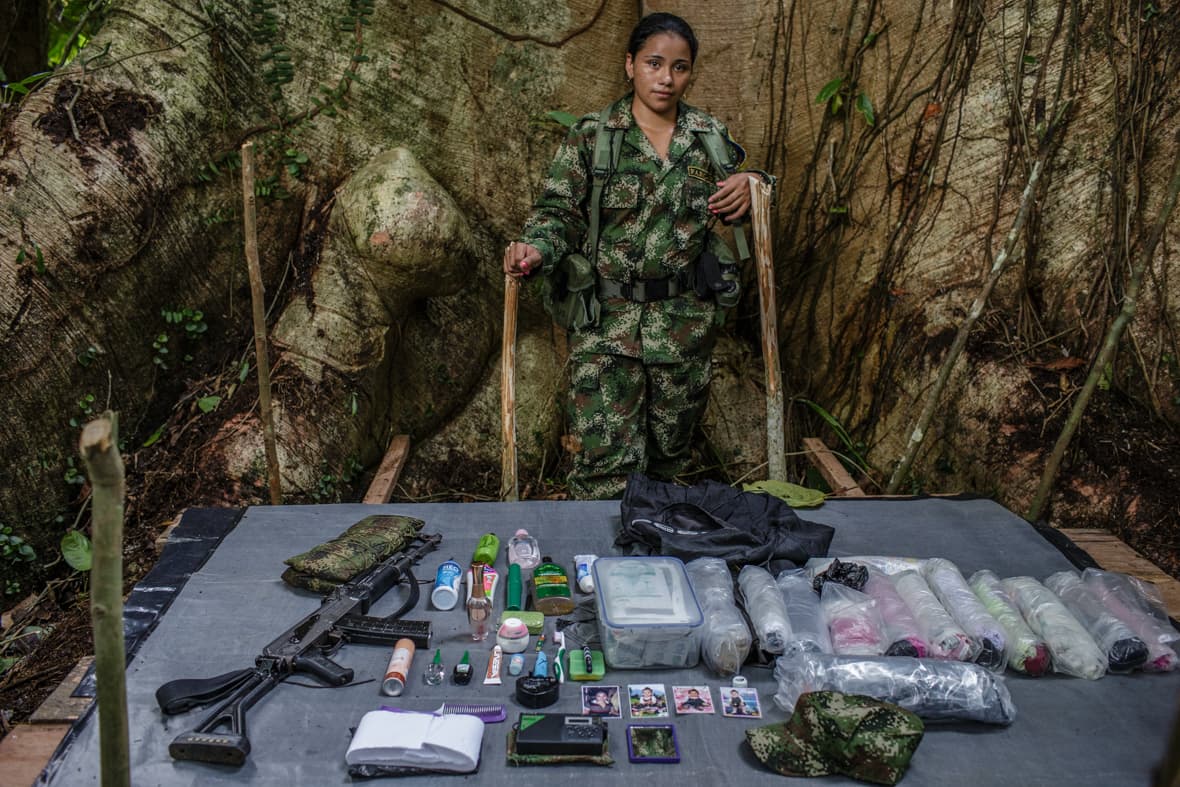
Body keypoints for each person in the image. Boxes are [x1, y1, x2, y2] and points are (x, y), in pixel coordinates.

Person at [504, 12, 773, 499]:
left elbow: (749, 194)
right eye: (654, 63)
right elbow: (556, 213)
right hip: (606, 327)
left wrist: (753, 184)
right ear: (630, 65)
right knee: (603, 475)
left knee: (672, 468)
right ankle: (599, 571)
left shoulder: (708, 137)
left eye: (680, 67)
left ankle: (658, 572)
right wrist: (534, 251)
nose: (666, 78)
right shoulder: (592, 136)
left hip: (682, 332)